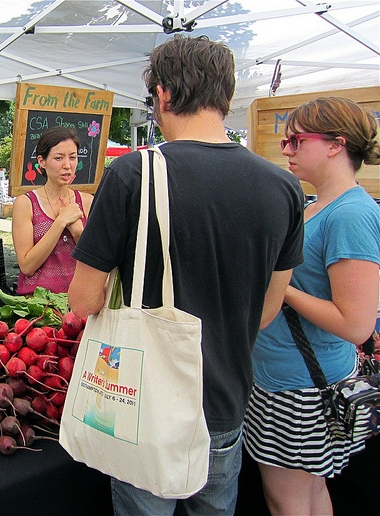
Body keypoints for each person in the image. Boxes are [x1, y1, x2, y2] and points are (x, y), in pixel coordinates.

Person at [67, 35, 305, 514]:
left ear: (163, 96)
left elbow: (84, 300)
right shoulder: (284, 186)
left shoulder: (134, 175)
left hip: (144, 407)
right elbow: (269, 308)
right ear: (228, 97)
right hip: (225, 402)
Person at [243, 97, 380, 515]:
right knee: (308, 493)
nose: (286, 150)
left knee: (287, 500)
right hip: (288, 377)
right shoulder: (318, 204)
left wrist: (278, 282)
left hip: (301, 386)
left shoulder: (350, 215)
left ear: (336, 144)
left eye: (296, 141)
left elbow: (356, 324)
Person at [12, 126, 93, 295]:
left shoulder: (87, 202)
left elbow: (96, 261)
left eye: (73, 157)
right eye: (58, 158)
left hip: (79, 301)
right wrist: (60, 222)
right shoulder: (26, 204)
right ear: (42, 161)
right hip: (36, 303)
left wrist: (78, 232)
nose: (67, 165)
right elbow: (27, 266)